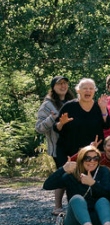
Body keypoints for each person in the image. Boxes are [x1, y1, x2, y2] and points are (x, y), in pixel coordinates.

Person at [43, 144, 110, 225]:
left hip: (99, 219)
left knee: (103, 200)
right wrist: (62, 169)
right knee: (77, 198)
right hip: (76, 221)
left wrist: (93, 184)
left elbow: (109, 194)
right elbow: (47, 185)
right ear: (81, 159)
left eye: (95, 158)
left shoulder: (103, 172)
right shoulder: (72, 174)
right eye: (87, 158)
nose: (92, 161)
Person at [36, 75, 75, 214]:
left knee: (74, 175)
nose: (63, 86)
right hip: (58, 148)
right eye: (59, 84)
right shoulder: (47, 105)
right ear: (53, 87)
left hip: (73, 146)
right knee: (62, 173)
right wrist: (51, 118)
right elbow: (39, 127)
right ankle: (57, 206)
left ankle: (73, 205)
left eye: (65, 83)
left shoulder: (73, 101)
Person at [56, 79, 110, 165]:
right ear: (78, 90)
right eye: (85, 88)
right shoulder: (69, 106)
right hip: (69, 152)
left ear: (94, 91)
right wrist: (61, 123)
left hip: (93, 152)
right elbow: (56, 128)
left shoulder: (99, 106)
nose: (88, 90)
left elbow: (107, 125)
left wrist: (103, 109)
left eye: (91, 88)